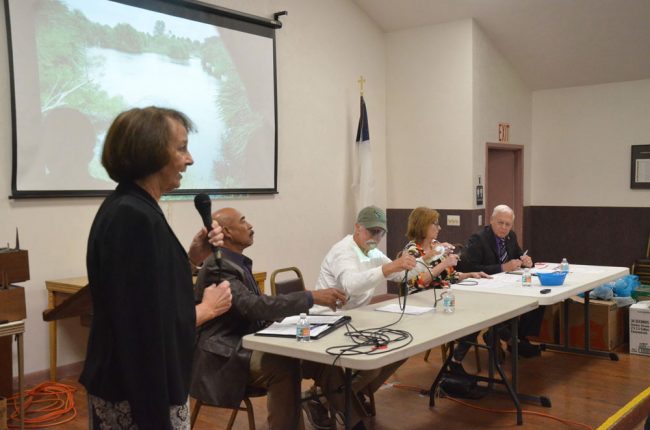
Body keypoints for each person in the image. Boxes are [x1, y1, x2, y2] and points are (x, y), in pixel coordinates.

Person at [80, 107, 233, 429]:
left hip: (134, 383)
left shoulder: (131, 206)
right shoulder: (133, 216)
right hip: (138, 390)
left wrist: (192, 257)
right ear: (148, 151)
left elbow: (148, 288)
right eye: (181, 148)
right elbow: (143, 325)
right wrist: (206, 310)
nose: (189, 160)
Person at [190, 207, 347, 430]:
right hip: (226, 354)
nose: (250, 225)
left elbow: (256, 306)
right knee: (282, 365)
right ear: (227, 231)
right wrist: (310, 297)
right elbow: (252, 307)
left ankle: (356, 423)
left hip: (248, 343)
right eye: (244, 221)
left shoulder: (235, 261)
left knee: (326, 360)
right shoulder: (219, 265)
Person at [309, 205, 423, 430]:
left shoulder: (370, 250)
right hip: (329, 321)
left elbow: (401, 274)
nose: (376, 237)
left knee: (399, 351)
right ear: (357, 228)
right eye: (371, 232)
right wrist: (390, 267)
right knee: (373, 362)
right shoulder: (344, 251)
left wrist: (424, 261)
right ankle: (325, 399)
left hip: (355, 320)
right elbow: (352, 285)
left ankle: (345, 393)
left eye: (380, 233)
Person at [402, 207, 490, 374]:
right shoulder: (413, 250)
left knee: (480, 315)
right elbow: (418, 282)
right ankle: (454, 362)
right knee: (470, 316)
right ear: (423, 226)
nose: (439, 227)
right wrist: (444, 263)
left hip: (441, 297)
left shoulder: (436, 246)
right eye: (435, 224)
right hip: (422, 301)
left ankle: (455, 358)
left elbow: (450, 276)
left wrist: (470, 274)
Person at [457, 204, 545, 357]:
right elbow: (468, 267)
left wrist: (527, 261)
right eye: (500, 222)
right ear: (491, 220)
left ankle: (517, 338)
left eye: (508, 224)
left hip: (504, 286)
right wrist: (502, 267)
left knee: (538, 301)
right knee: (504, 307)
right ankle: (509, 338)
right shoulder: (479, 239)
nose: (504, 228)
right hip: (482, 290)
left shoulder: (511, 237)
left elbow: (519, 256)